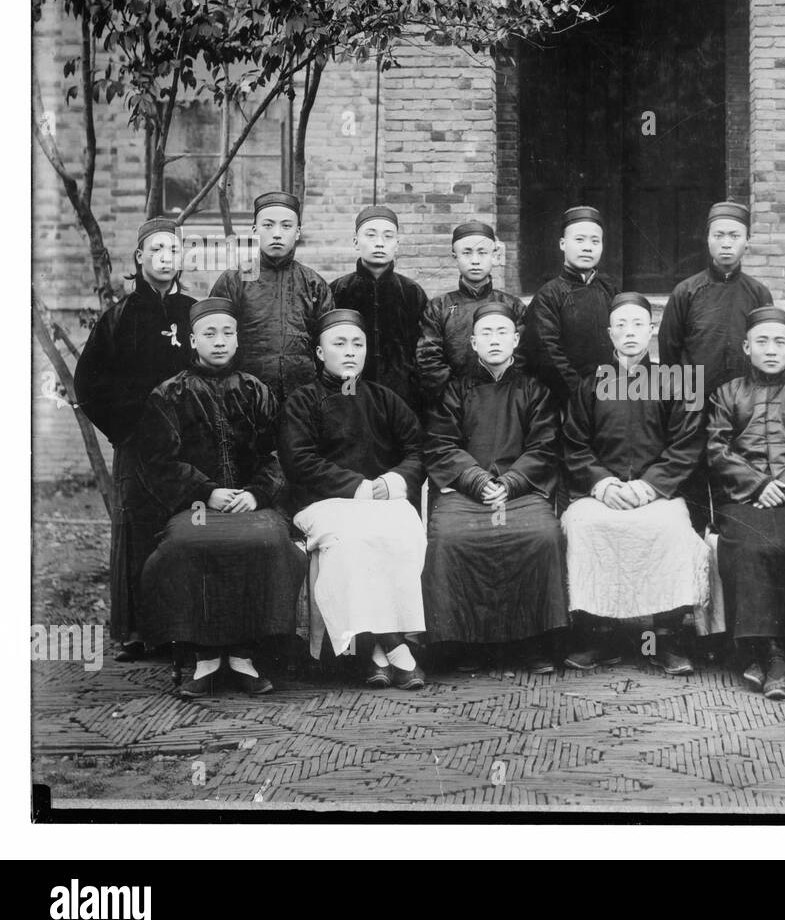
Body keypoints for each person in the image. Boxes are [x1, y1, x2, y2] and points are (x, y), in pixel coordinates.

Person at [133, 297, 305, 697]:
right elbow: (158, 462)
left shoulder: (256, 390)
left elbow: (280, 453)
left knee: (269, 542)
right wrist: (206, 492)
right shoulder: (169, 394)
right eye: (209, 333)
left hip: (252, 506)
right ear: (192, 340)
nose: (220, 341)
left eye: (228, 332)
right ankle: (205, 658)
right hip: (195, 507)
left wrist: (258, 493)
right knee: (186, 544)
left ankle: (244, 656)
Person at [561, 292, 710, 676]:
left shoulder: (675, 381)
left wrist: (648, 487)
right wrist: (604, 484)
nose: (630, 333)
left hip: (657, 493)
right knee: (584, 526)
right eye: (621, 325)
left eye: (638, 324)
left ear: (652, 330)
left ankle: (664, 637)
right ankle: (601, 634)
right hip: (602, 493)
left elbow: (687, 444)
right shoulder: (589, 383)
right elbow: (574, 444)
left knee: (671, 529)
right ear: (610, 332)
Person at [278, 309, 428, 690]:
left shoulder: (385, 399)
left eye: (357, 344)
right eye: (339, 343)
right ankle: (395, 649)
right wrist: (357, 487)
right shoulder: (303, 401)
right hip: (324, 504)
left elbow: (417, 449)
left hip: (382, 499)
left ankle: (373, 653)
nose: (349, 352)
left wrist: (394, 481)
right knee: (353, 541)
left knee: (405, 530)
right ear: (318, 352)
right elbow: (299, 460)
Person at [73, 216, 196, 660]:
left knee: (186, 528)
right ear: (140, 257)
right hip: (137, 443)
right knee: (136, 532)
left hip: (188, 447)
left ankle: (183, 626)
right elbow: (88, 384)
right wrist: (128, 427)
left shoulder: (193, 313)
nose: (166, 257)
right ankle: (137, 632)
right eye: (157, 249)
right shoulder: (119, 318)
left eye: (174, 250)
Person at [424, 302, 567, 673]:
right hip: (468, 492)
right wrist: (476, 480)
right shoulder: (455, 391)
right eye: (485, 333)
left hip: (518, 491)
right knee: (451, 539)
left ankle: (532, 642)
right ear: (472, 342)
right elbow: (441, 444)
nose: (494, 340)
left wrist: (511, 482)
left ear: (516, 340)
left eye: (502, 332)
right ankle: (465, 643)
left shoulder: (534, 390)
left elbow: (544, 445)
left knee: (541, 535)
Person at [707, 306, 785, 699]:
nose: (771, 349)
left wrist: (783, 486)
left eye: (780, 342)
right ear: (747, 347)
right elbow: (716, 447)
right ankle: (761, 650)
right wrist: (758, 485)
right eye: (762, 341)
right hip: (743, 499)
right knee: (747, 548)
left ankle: (782, 651)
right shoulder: (727, 394)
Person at [209, 190, 334, 403]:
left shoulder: (314, 284)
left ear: (297, 232)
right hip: (246, 399)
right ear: (255, 230)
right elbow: (213, 343)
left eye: (286, 226)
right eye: (268, 225)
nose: (277, 233)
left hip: (303, 400)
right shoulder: (234, 280)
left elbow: (330, 347)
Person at [658, 201, 773, 400]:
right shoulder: (686, 292)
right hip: (694, 402)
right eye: (718, 235)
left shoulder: (759, 294)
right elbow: (669, 352)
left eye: (735, 236)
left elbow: (769, 350)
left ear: (747, 240)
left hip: (744, 402)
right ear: (708, 239)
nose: (726, 243)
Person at [415, 219, 526, 414]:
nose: (475, 260)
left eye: (482, 252)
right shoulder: (438, 307)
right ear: (455, 257)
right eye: (466, 253)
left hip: (506, 401)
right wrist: (458, 397)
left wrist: (499, 391)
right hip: (454, 406)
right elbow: (428, 360)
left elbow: (523, 356)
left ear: (494, 256)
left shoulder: (512, 305)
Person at [329, 205, 428, 413]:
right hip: (350, 391)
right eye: (371, 235)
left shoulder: (411, 292)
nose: (380, 243)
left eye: (388, 236)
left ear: (397, 244)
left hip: (401, 396)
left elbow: (422, 350)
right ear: (356, 242)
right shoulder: (338, 290)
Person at [520, 205, 616, 405]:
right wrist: (581, 395)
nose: (587, 247)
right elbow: (549, 356)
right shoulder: (549, 295)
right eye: (579, 240)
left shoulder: (610, 290)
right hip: (568, 401)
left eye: (595, 241)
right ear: (562, 244)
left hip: (610, 396)